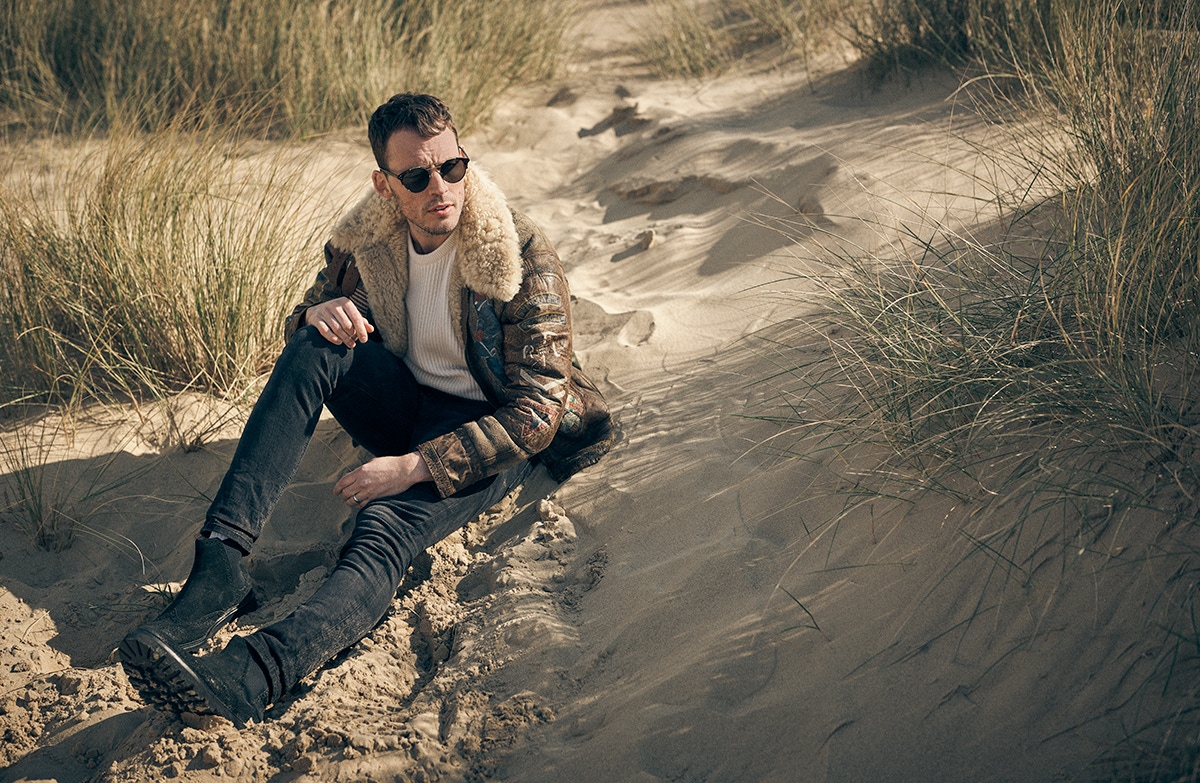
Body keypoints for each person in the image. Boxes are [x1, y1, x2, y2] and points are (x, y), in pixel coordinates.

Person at [118, 93, 615, 727]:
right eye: (417, 176)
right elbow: (304, 317)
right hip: (403, 396)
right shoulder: (364, 243)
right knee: (312, 344)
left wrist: (412, 467)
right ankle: (221, 565)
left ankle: (254, 673)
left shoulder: (520, 254)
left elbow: (537, 413)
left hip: (485, 427)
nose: (441, 188)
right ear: (385, 186)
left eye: (452, 167)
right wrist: (311, 313)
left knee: (382, 530)